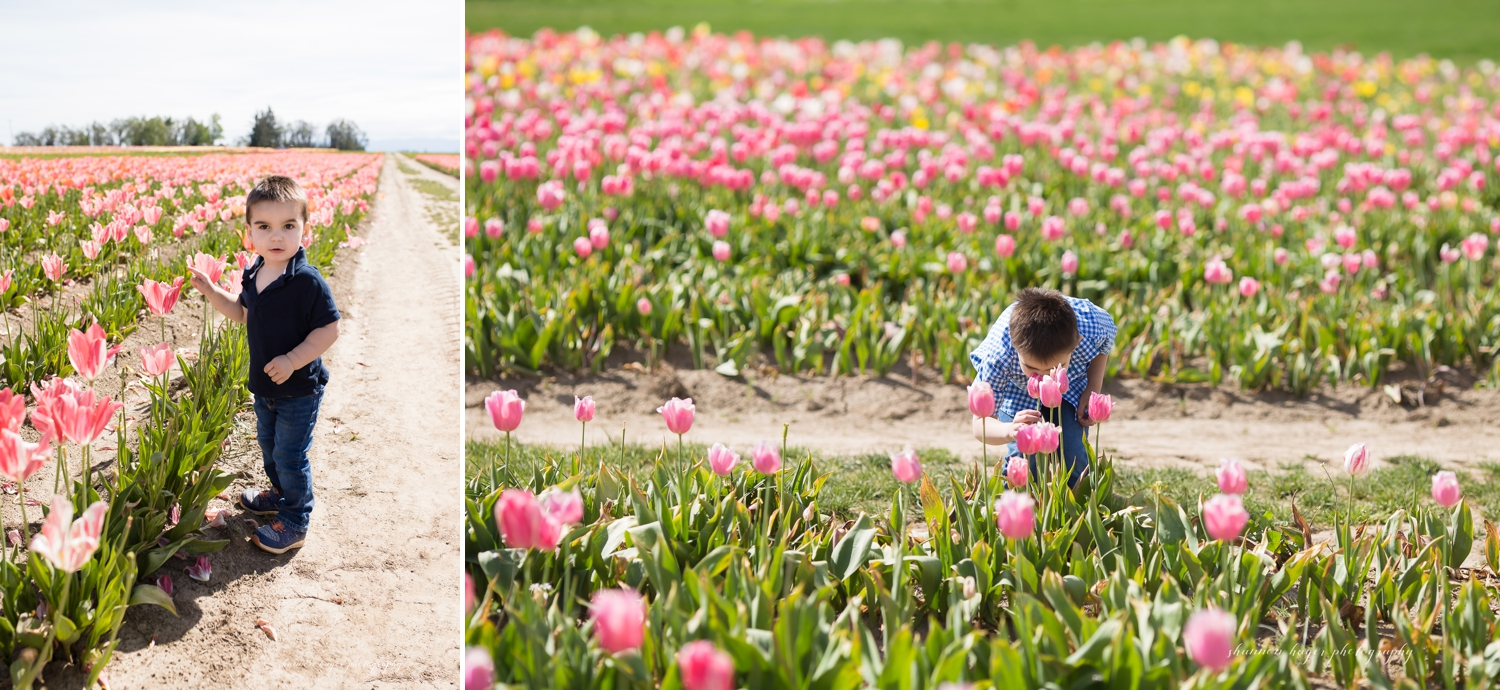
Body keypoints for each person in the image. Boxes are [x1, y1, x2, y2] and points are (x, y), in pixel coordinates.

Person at [189, 175, 340, 554]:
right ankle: (278, 494)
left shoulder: (307, 282)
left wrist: (292, 360)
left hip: (299, 389)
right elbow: (241, 313)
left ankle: (295, 519)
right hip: (265, 387)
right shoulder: (255, 272)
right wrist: (211, 291)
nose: (277, 237)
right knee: (269, 446)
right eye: (265, 227)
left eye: (288, 226)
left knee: (290, 454)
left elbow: (329, 329)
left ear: (304, 228)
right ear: (249, 233)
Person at [969, 287, 1116, 485]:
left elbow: (1103, 347)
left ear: (1077, 344)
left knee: (1073, 455)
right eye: (1032, 367)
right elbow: (980, 424)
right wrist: (1009, 429)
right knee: (1025, 460)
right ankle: (1018, 508)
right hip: (1017, 388)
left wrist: (1092, 388)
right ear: (1014, 346)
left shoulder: (1091, 325)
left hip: (1067, 386)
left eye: (1055, 367)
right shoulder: (999, 357)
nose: (1045, 377)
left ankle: (1075, 509)